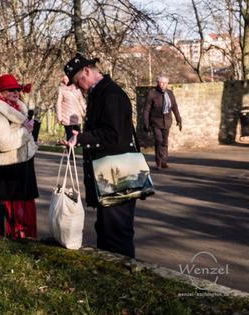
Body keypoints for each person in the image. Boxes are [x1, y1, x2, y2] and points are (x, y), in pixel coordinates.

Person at [63, 53, 138, 258]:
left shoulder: (110, 94)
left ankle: (123, 274)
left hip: (119, 175)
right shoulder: (100, 93)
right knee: (105, 230)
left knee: (117, 233)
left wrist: (83, 138)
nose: (79, 87)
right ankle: (112, 273)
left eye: (79, 81)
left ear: (87, 71)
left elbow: (114, 135)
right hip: (111, 173)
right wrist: (81, 137)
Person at [0, 74, 39, 239]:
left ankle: (25, 234)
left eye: (17, 89)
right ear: (1, 93)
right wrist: (25, 131)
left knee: (25, 200)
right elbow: (2, 143)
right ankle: (11, 234)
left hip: (23, 163)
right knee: (10, 206)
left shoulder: (19, 108)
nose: (15, 92)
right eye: (10, 90)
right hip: (6, 167)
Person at [143, 75, 182, 170]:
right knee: (158, 140)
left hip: (167, 122)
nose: (163, 85)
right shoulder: (152, 94)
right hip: (155, 122)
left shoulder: (170, 93)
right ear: (158, 83)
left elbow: (174, 107)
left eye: (165, 83)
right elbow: (147, 110)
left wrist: (179, 119)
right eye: (161, 83)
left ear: (167, 84)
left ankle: (164, 161)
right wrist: (146, 123)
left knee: (164, 142)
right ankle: (159, 162)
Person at [56, 75, 86, 140]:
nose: (66, 81)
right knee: (69, 135)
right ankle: (70, 149)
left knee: (77, 135)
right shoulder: (61, 89)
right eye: (65, 80)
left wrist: (86, 110)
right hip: (66, 117)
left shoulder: (77, 88)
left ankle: (74, 148)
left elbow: (81, 101)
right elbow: (58, 103)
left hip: (77, 116)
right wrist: (59, 117)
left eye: (67, 79)